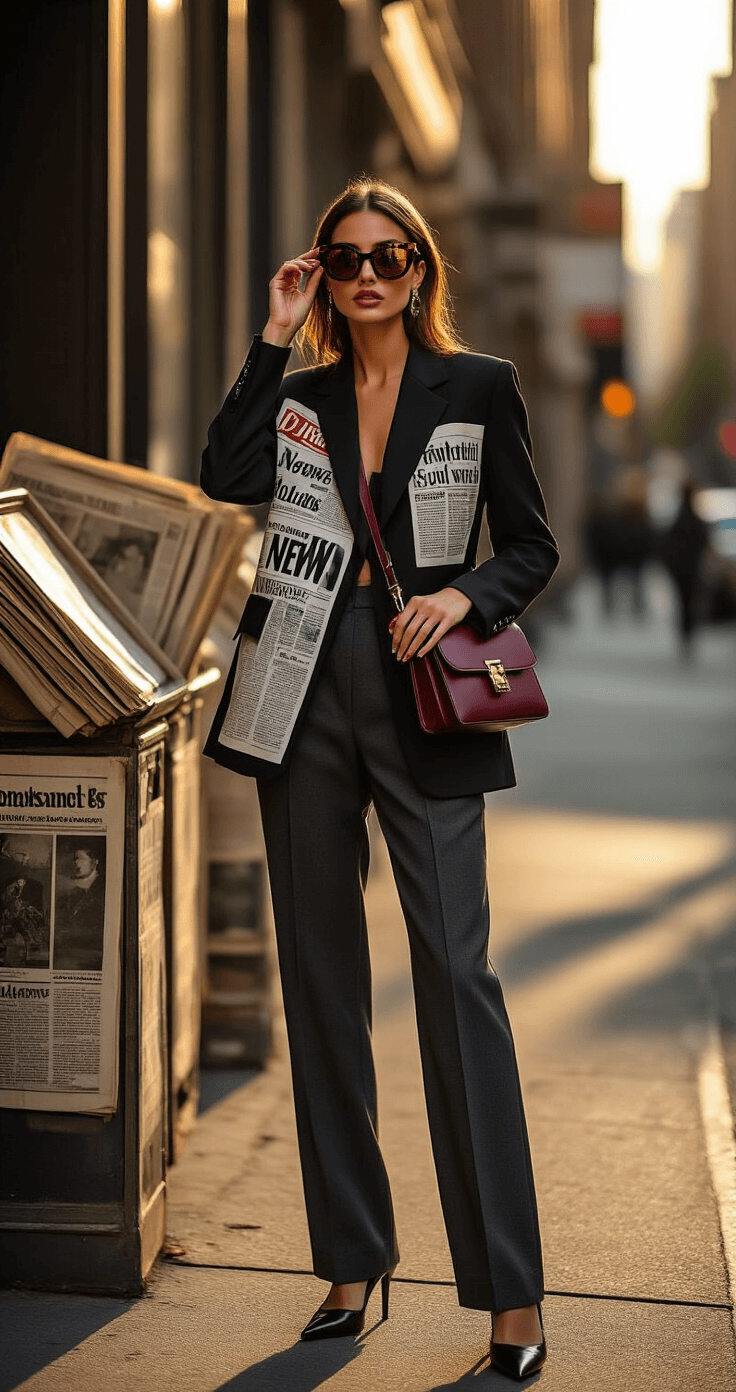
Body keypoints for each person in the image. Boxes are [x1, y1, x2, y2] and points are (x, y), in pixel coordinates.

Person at [201, 179, 559, 1381]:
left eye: (387, 256)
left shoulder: (479, 386)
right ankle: (352, 1262)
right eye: (344, 259)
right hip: (297, 684)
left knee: (457, 974)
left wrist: (461, 598)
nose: (366, 275)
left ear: (419, 271)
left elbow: (531, 542)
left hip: (425, 689)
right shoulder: (298, 395)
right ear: (322, 273)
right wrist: (270, 334)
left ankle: (512, 1294)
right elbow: (223, 473)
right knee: (319, 977)